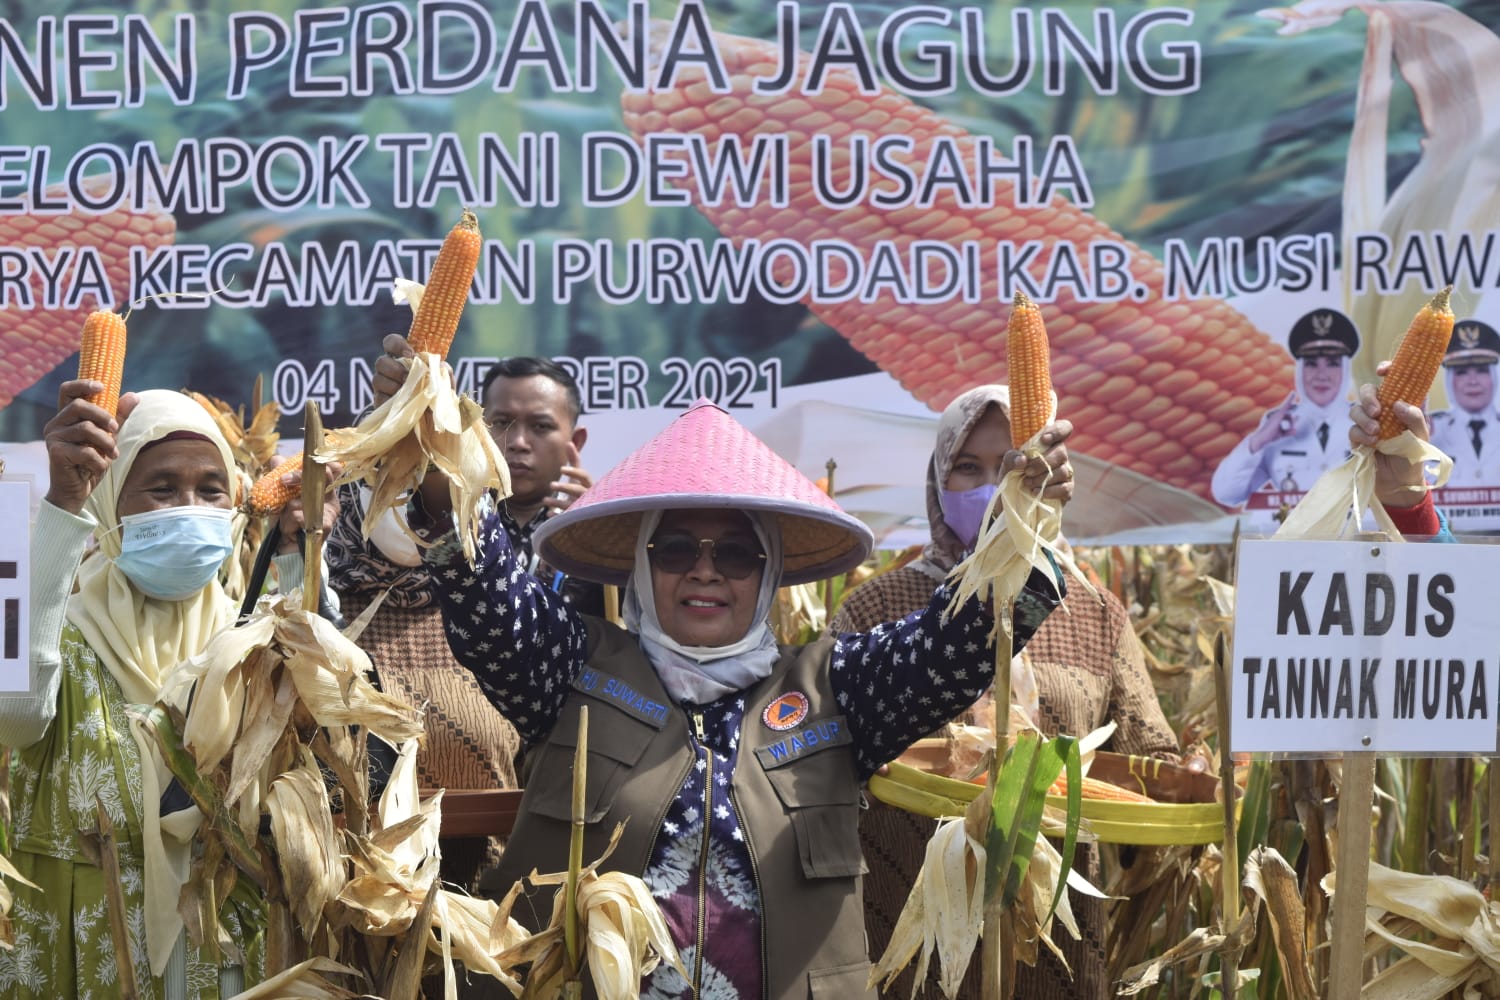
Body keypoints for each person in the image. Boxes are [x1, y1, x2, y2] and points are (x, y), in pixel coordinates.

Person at [369, 334, 1067, 999]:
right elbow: (481, 582)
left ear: (767, 576)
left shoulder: (841, 688)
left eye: (736, 555)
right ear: (643, 566)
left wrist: (1026, 522)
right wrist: (437, 452)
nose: (705, 572)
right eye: (676, 550)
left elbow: (971, 639)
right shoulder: (569, 665)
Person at [829, 384, 1183, 1000]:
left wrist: (1192, 777)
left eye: (1012, 465)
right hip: (908, 936)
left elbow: (1149, 765)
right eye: (969, 468)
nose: (996, 486)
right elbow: (821, 763)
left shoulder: (1096, 614)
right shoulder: (877, 607)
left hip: (1057, 947)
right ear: (938, 480)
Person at [0, 385, 326, 997]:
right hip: (89, 947)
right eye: (161, 488)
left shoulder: (250, 639)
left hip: (225, 948)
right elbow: (13, 721)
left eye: (210, 490)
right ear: (109, 503)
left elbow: (326, 720)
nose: (189, 507)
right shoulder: (55, 625)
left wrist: (301, 560)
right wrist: (63, 507)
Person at [326, 354, 601, 894]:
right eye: (499, 423)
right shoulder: (420, 525)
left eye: (541, 426)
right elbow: (375, 529)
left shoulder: (597, 548)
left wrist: (589, 539)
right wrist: (403, 424)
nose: (517, 441)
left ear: (576, 440)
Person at [1211, 308, 1361, 530]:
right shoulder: (1278, 425)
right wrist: (1259, 441)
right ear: (1299, 370)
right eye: (1311, 364)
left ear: (1346, 368)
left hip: (1354, 549)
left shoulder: (1365, 422)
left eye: (1332, 363)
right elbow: (1227, 493)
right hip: (1290, 551)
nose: (1321, 374)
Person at [1427, 319, 1500, 526]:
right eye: (1462, 372)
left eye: (1481, 370)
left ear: (1494, 376)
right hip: (1447, 544)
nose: (1473, 381)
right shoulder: (1430, 431)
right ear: (1450, 379)